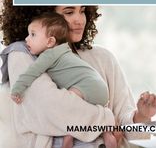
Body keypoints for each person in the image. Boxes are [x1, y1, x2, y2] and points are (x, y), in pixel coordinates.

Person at [0, 0, 156, 148]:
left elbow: (124, 128)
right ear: (44, 17)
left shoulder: (103, 58)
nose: (80, 20)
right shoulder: (21, 54)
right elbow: (53, 109)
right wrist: (106, 119)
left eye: (82, 10)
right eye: (69, 12)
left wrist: (142, 116)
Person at [11, 13, 116, 148]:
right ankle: (107, 133)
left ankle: (69, 136)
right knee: (82, 108)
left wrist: (17, 89)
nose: (26, 39)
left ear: (50, 42)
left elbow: (31, 73)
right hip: (100, 88)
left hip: (87, 86)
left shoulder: (48, 55)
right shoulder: (65, 50)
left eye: (33, 34)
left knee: (69, 103)